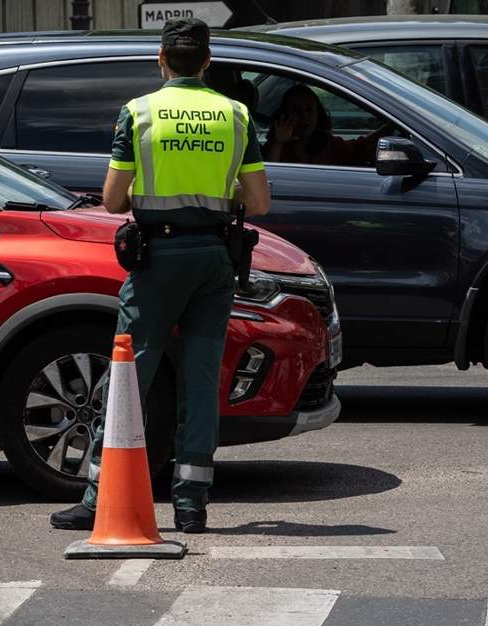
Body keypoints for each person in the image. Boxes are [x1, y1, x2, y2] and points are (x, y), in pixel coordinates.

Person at [49, 17, 271, 534]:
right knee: (199, 378)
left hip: (158, 258)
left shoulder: (140, 113)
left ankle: (98, 493)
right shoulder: (235, 115)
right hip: (215, 257)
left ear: (161, 58)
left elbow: (112, 199)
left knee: (130, 374)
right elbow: (257, 202)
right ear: (209, 61)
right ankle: (192, 502)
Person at [264, 84, 393, 166]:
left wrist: (392, 126)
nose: (304, 117)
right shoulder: (274, 146)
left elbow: (361, 148)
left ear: (318, 113)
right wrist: (278, 143)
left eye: (309, 109)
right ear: (285, 115)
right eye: (296, 110)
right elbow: (268, 179)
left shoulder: (327, 143)